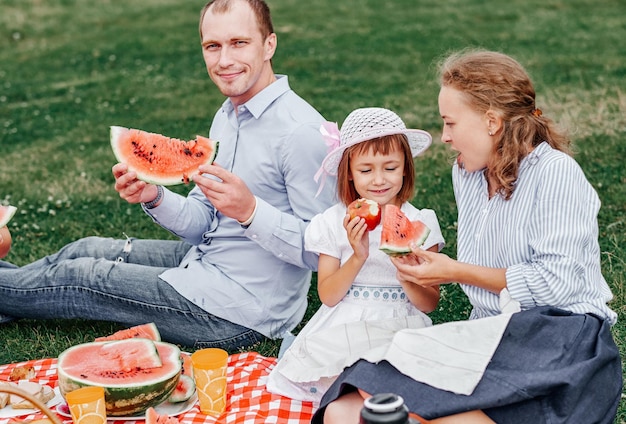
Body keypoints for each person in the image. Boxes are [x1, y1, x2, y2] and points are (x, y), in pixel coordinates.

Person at [0, 0, 335, 350]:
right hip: (205, 259)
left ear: (269, 45)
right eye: (212, 46)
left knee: (81, 277)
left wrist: (250, 212)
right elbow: (202, 222)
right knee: (86, 248)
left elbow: (323, 251)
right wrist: (154, 195)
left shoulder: (301, 132)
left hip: (239, 313)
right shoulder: (229, 115)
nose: (224, 61)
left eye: (239, 43)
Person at [313, 50, 621, 424]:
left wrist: (455, 271)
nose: (444, 137)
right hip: (489, 336)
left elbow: (555, 285)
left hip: (558, 342)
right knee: (341, 411)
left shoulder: (556, 173)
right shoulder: (469, 174)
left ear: (491, 121)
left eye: (450, 123)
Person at [266, 107, 445, 405]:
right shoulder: (333, 222)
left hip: (400, 325)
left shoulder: (421, 222)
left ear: (405, 168)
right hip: (344, 324)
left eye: (390, 168)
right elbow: (328, 295)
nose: (378, 180)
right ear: (349, 173)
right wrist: (358, 255)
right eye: (366, 170)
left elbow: (428, 304)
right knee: (350, 390)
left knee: (386, 392)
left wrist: (403, 267)